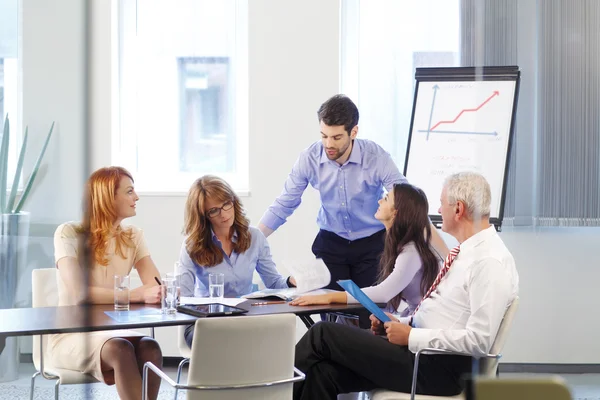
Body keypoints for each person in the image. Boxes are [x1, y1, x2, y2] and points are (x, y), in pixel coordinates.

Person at [293, 172, 520, 399]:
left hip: (438, 368)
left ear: (458, 209)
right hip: (421, 353)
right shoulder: (465, 252)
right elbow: (444, 314)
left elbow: (479, 341)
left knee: (322, 333)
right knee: (323, 373)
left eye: (442, 205)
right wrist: (400, 323)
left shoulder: (489, 261)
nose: (439, 211)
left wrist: (411, 336)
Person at [258, 94, 448, 298]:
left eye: (336, 137)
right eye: (324, 136)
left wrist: (449, 260)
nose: (328, 144)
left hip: (372, 245)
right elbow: (285, 203)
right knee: (329, 309)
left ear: (353, 132)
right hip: (331, 243)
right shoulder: (309, 158)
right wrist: (252, 238)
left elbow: (409, 204)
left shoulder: (376, 157)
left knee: (367, 312)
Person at [51, 167, 163, 400]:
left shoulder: (133, 236)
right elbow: (80, 294)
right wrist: (137, 295)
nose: (137, 197)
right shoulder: (68, 233)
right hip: (71, 336)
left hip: (112, 333)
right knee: (120, 348)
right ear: (107, 197)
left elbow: (156, 287)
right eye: (130, 191)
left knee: (151, 347)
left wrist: (154, 292)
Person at [178, 175, 295, 347]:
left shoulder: (254, 237)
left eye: (226, 204)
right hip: (204, 322)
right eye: (214, 211)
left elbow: (274, 283)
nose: (224, 214)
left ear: (233, 201)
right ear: (203, 216)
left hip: (243, 318)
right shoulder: (193, 245)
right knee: (223, 336)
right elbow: (185, 299)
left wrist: (291, 282)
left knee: (277, 330)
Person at [290, 183, 439, 317]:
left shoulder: (411, 252)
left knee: (323, 332)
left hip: (419, 326)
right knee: (337, 326)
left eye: (386, 199)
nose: (380, 201)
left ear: (396, 213)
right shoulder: (399, 246)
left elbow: (383, 293)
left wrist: (328, 297)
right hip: (411, 320)